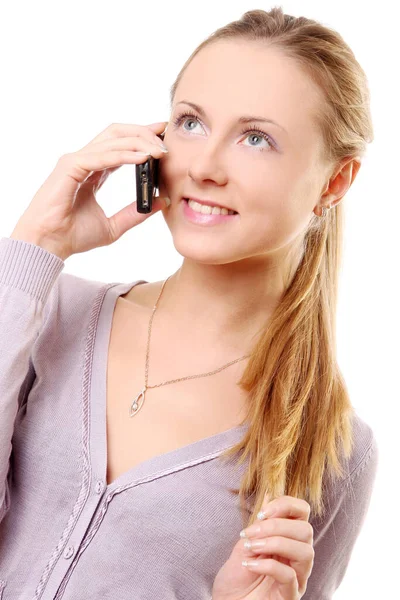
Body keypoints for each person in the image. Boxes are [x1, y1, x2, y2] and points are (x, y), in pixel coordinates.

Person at [0, 7, 378, 600]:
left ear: (334, 183)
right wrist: (31, 253)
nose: (203, 167)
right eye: (192, 123)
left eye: (257, 138)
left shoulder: (333, 452)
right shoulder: (47, 314)